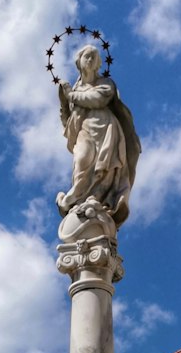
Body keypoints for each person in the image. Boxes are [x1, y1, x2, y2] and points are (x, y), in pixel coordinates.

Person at [56, 44, 140, 225]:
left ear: (98, 63)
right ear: (79, 61)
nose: (91, 60)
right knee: (82, 160)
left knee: (103, 169)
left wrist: (71, 96)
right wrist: (64, 103)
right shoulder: (75, 89)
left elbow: (96, 99)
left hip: (106, 128)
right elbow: (69, 122)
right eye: (87, 56)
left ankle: (95, 200)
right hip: (83, 131)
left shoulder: (105, 84)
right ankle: (74, 200)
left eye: (94, 58)